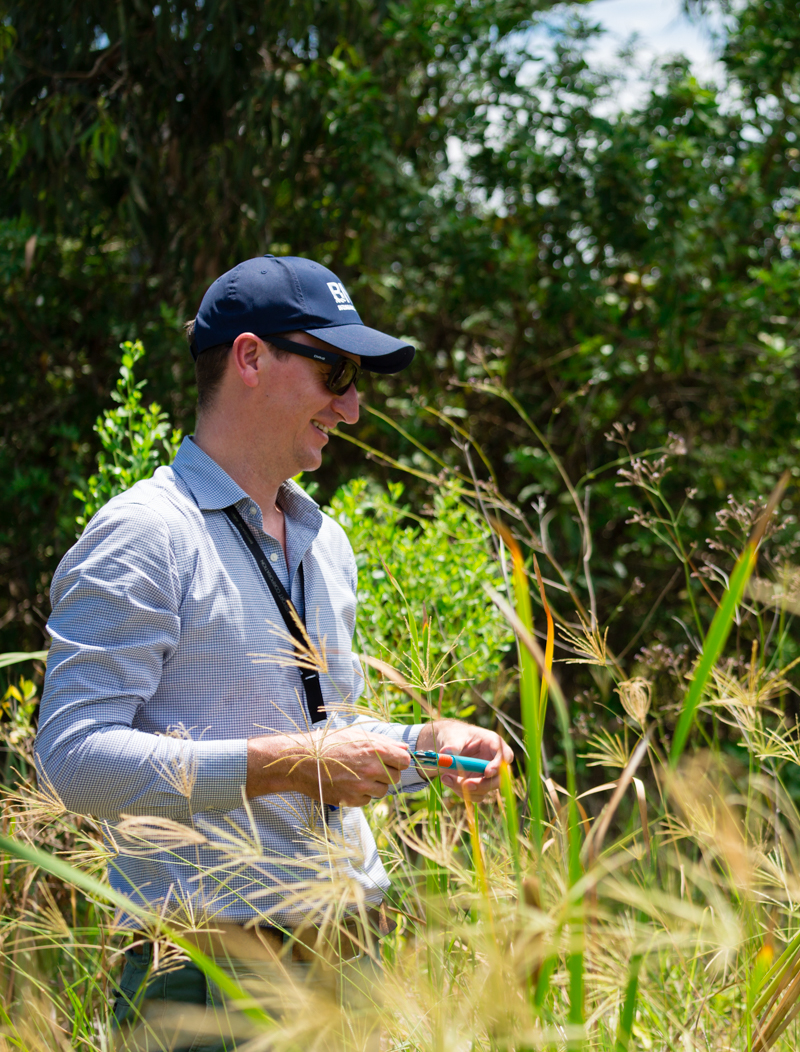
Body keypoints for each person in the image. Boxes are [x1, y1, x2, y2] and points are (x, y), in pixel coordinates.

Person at [36, 255, 513, 1046]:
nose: (354, 407)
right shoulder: (147, 533)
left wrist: (427, 750)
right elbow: (71, 760)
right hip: (206, 970)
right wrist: (290, 763)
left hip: (352, 945)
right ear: (250, 357)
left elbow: (328, 735)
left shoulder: (327, 541)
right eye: (336, 371)